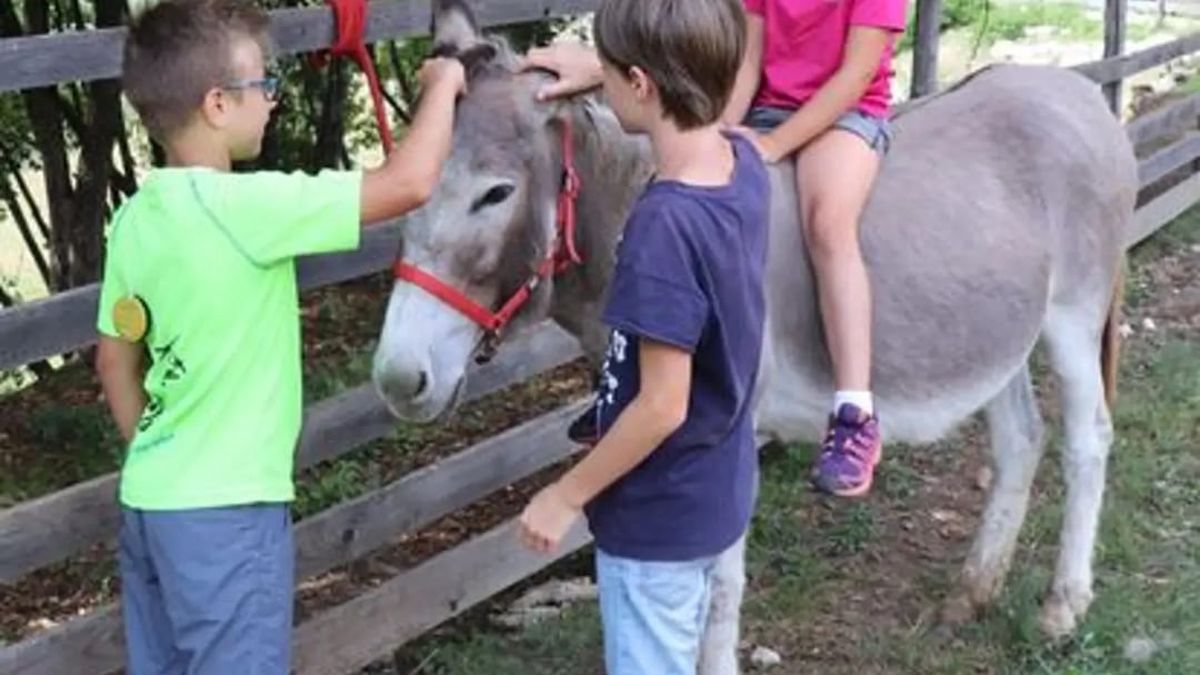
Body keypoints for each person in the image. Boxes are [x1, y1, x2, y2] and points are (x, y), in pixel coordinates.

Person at [94, 0, 464, 672]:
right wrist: (442, 84)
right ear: (216, 105)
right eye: (263, 84)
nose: (272, 100)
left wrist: (160, 456)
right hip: (228, 512)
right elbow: (409, 183)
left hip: (151, 501)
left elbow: (113, 357)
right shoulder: (248, 208)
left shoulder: (135, 220)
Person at [525, 0, 908, 498]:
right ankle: (635, 380)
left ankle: (854, 411)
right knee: (676, 191)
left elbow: (854, 76)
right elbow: (748, 59)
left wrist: (773, 146)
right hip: (766, 108)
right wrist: (720, 126)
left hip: (846, 116)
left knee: (827, 223)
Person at [516, 1, 769, 673]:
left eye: (607, 68)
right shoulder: (743, 162)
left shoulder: (665, 225)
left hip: (656, 520)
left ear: (641, 84)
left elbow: (662, 404)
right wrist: (608, 72)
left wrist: (565, 493)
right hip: (716, 486)